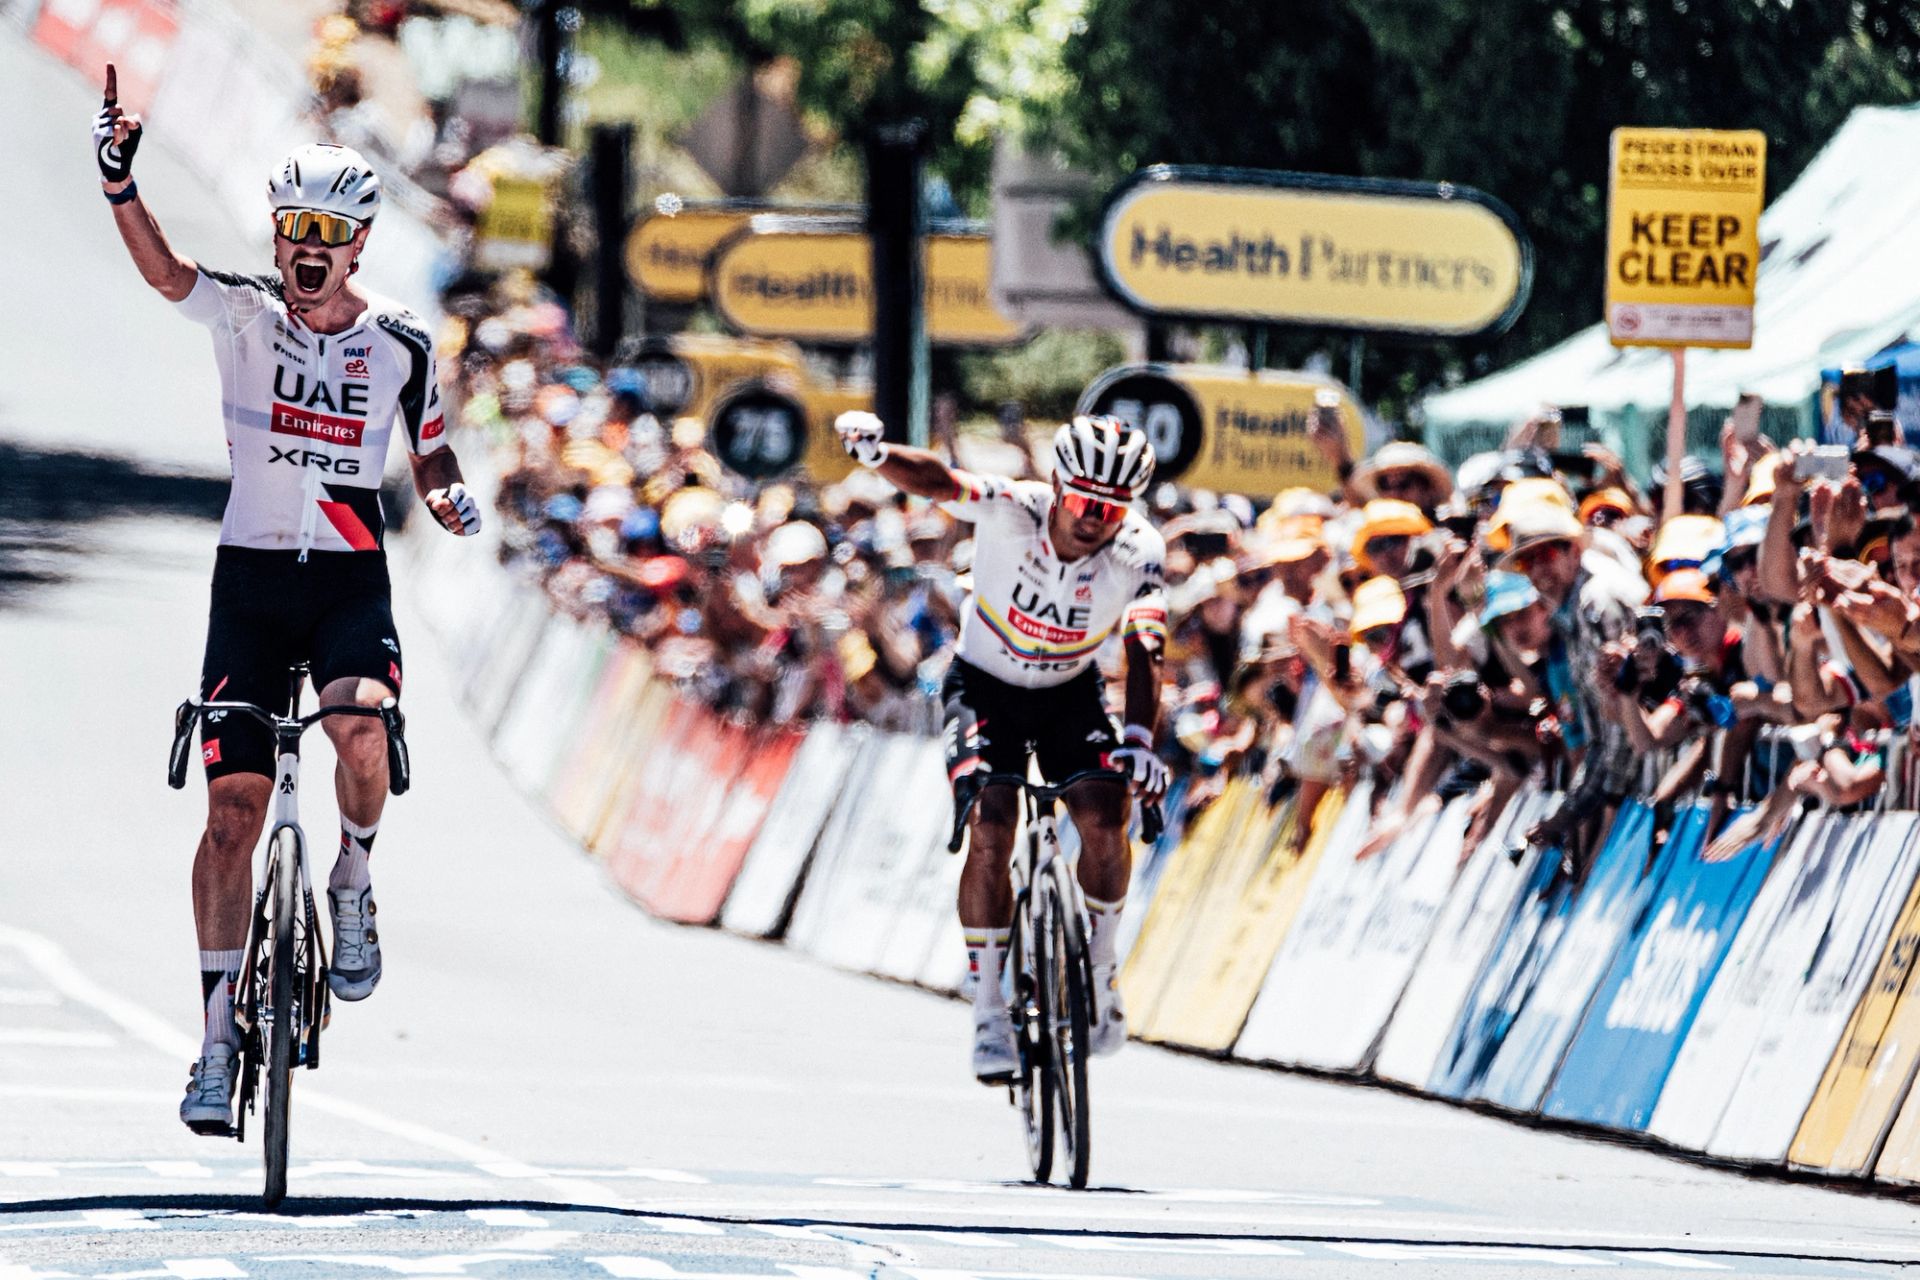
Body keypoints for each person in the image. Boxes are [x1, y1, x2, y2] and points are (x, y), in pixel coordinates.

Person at [95, 66, 482, 1134]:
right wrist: (122, 185)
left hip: (349, 580)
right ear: (277, 237)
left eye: (329, 231)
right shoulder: (245, 312)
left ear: (358, 244)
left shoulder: (398, 341)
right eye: (293, 227)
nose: (308, 246)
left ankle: (353, 880)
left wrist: (450, 505)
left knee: (362, 725)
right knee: (230, 813)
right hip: (254, 583)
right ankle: (217, 1041)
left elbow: (435, 458)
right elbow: (166, 271)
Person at [834, 410, 1168, 1082]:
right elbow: (939, 480)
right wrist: (878, 455)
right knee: (993, 824)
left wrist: (1139, 740)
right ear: (1057, 485)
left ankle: (1100, 973)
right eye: (1080, 501)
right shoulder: (1015, 507)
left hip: (1069, 694)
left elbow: (1145, 647)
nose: (1092, 519)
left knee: (1107, 818)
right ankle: (989, 1009)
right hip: (985, 686)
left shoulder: (1139, 550)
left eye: (1109, 508)